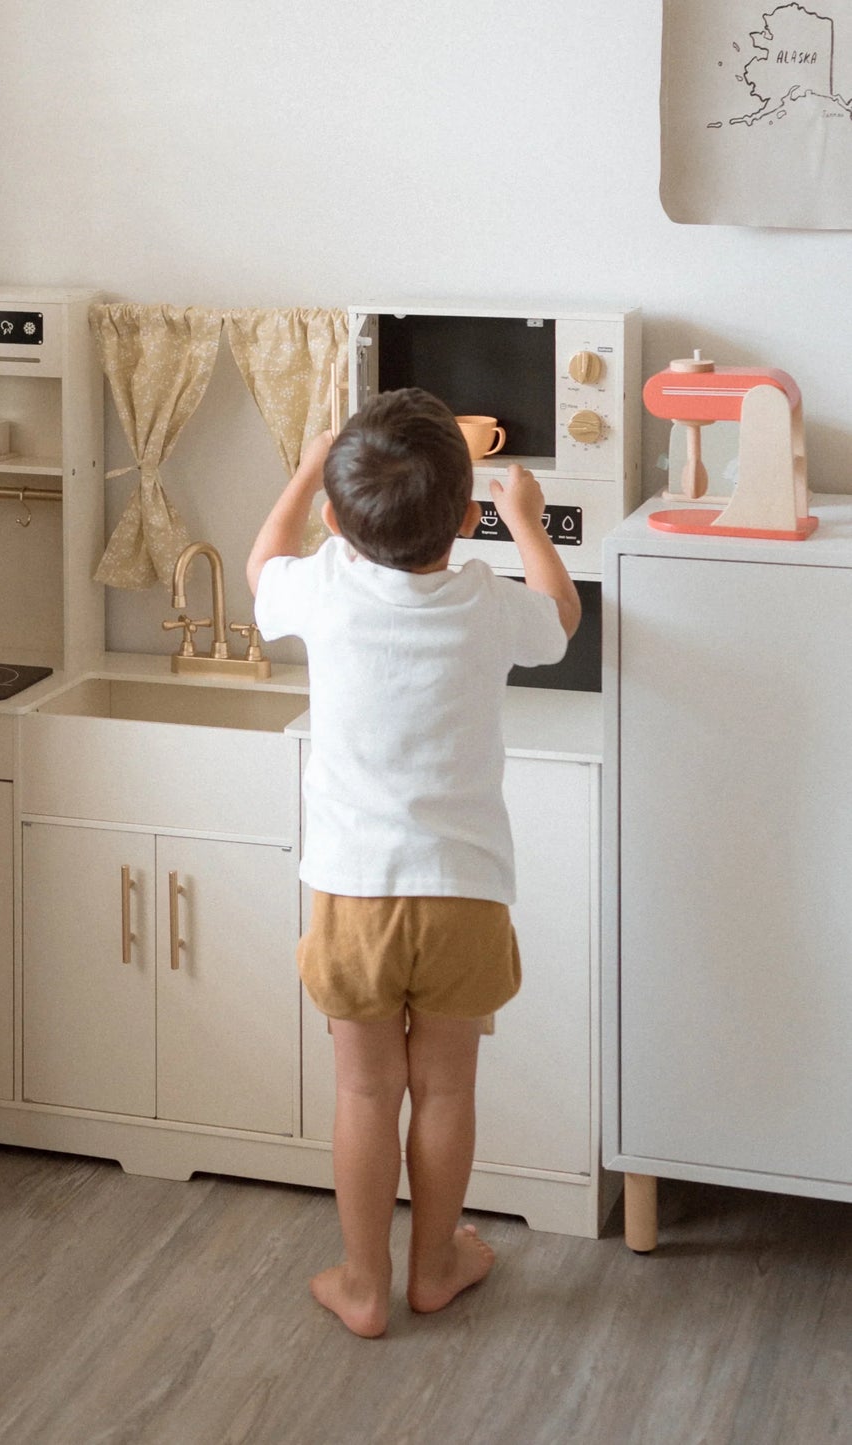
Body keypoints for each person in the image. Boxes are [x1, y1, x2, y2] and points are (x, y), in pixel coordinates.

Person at [246, 388, 578, 1337]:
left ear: (337, 521)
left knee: (362, 1090)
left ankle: (362, 1281)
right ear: (464, 519)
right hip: (463, 893)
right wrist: (523, 522)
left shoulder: (324, 586)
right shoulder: (483, 601)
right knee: (444, 1088)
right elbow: (558, 618)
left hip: (352, 895)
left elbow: (259, 564)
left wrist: (309, 465)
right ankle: (433, 1264)